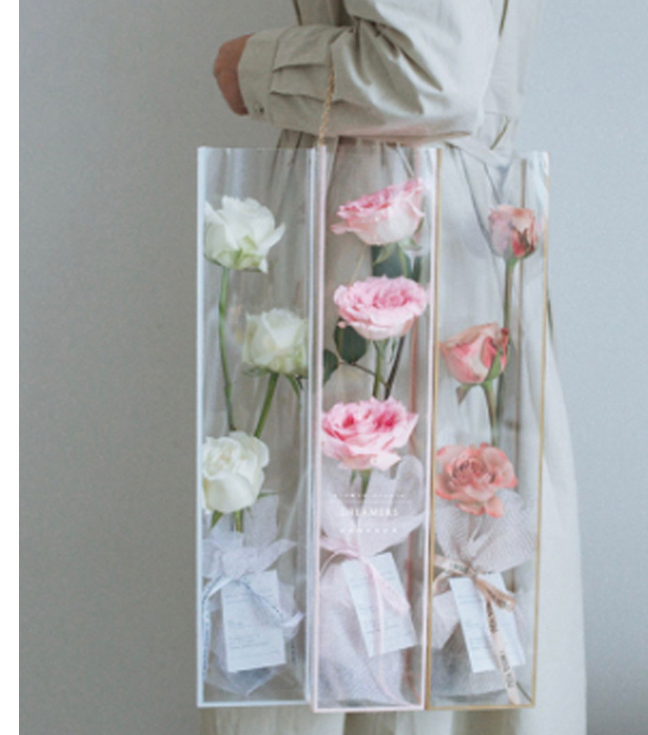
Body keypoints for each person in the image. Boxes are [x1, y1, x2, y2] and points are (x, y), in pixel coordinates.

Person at [204, 2, 586, 734]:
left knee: (387, 528)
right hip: (429, 216)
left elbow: (432, 73)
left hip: (393, 219)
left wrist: (257, 65)